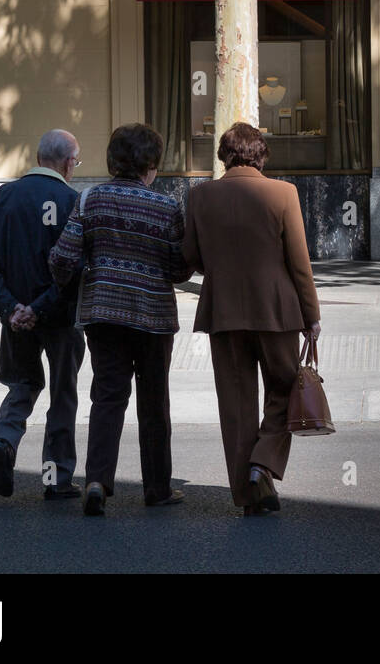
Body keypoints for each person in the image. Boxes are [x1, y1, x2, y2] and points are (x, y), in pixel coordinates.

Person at [49, 123, 192, 516]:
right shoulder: (167, 207)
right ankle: (158, 488)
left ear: (114, 160)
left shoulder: (90, 199)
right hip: (153, 318)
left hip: (104, 315)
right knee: (154, 401)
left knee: (107, 397)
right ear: (151, 164)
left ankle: (96, 481)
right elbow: (180, 267)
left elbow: (62, 257)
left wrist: (79, 280)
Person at [183, 123, 322, 516]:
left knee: (236, 403)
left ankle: (249, 496)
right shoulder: (283, 193)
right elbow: (300, 263)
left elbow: (190, 256)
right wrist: (312, 315)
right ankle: (262, 463)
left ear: (224, 155)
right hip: (276, 312)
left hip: (222, 310)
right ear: (261, 155)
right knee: (284, 390)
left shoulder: (200, 196)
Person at [0, 129, 85, 500]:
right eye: (77, 161)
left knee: (21, 385)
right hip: (61, 319)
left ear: (38, 158)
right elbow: (76, 268)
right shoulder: (72, 201)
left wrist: (12, 308)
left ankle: (4, 441)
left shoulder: (2, 198)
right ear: (68, 163)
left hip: (15, 320)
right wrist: (40, 307)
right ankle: (56, 478)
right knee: (62, 394)